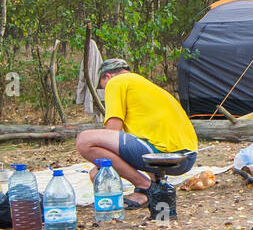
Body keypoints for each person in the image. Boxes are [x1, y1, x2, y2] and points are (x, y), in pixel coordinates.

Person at [75, 59, 198, 208]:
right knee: (137, 141)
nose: (105, 90)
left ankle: (145, 187)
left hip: (164, 154)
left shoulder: (116, 82)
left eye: (103, 86)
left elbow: (112, 131)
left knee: (84, 140)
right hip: (186, 157)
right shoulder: (143, 84)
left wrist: (101, 166)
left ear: (107, 76)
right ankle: (154, 186)